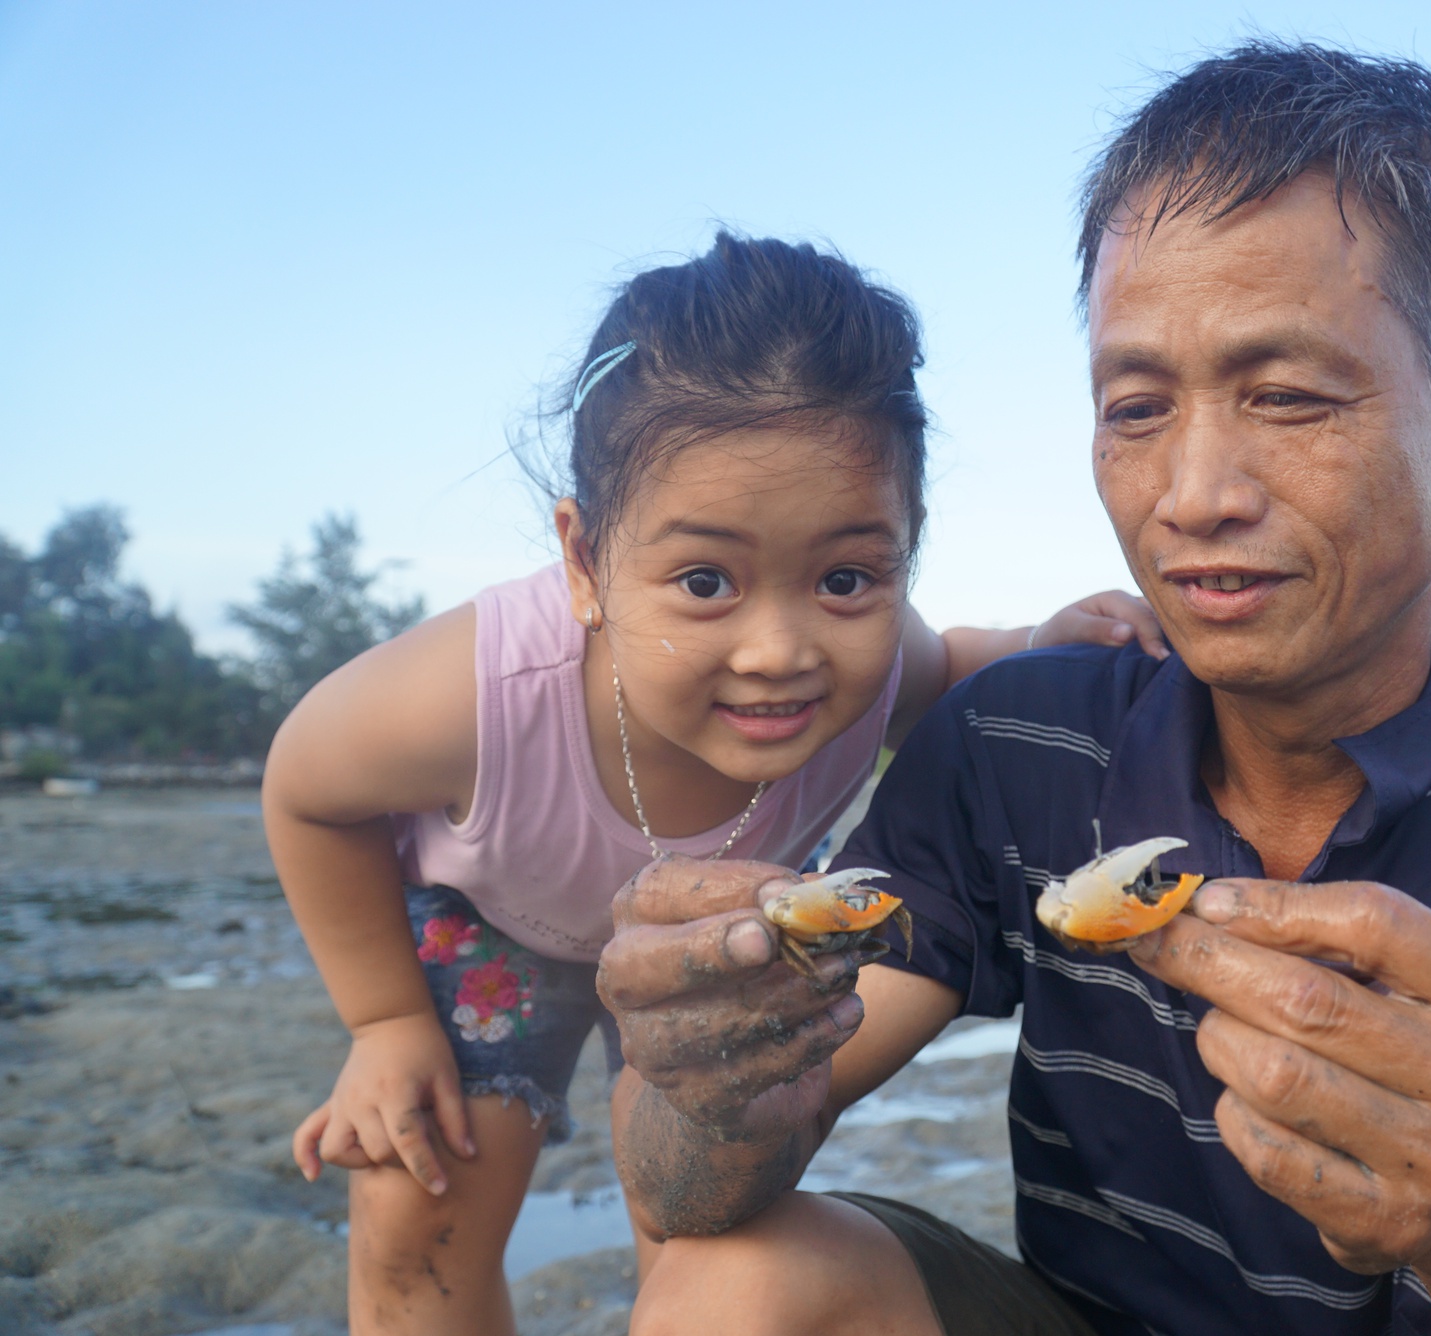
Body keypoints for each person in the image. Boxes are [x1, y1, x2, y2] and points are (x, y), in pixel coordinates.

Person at [598, 42, 1431, 1336]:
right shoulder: (1020, 745)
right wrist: (701, 1085)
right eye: (1137, 406)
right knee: (733, 1285)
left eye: (1284, 395)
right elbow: (691, 1190)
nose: (1193, 494)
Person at [263, 232, 1164, 1336]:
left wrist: (1044, 637)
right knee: (419, 1207)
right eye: (704, 580)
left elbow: (958, 664)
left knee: (704, 1232)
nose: (779, 649)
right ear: (586, 564)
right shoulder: (473, 691)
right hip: (495, 931)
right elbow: (307, 790)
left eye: (845, 576)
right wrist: (385, 1019)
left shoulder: (878, 665)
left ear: (907, 550)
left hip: (716, 948)